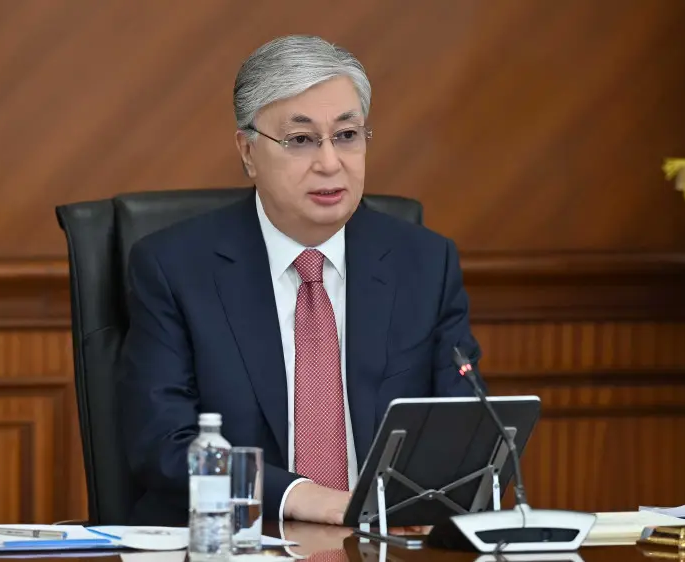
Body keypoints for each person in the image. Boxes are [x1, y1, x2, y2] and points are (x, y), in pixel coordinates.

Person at [118, 34, 482, 526]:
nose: (330, 163)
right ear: (248, 152)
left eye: (347, 135)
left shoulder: (424, 264)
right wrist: (300, 497)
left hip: (380, 543)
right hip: (236, 542)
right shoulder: (174, 268)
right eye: (301, 139)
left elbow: (463, 426)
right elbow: (163, 443)